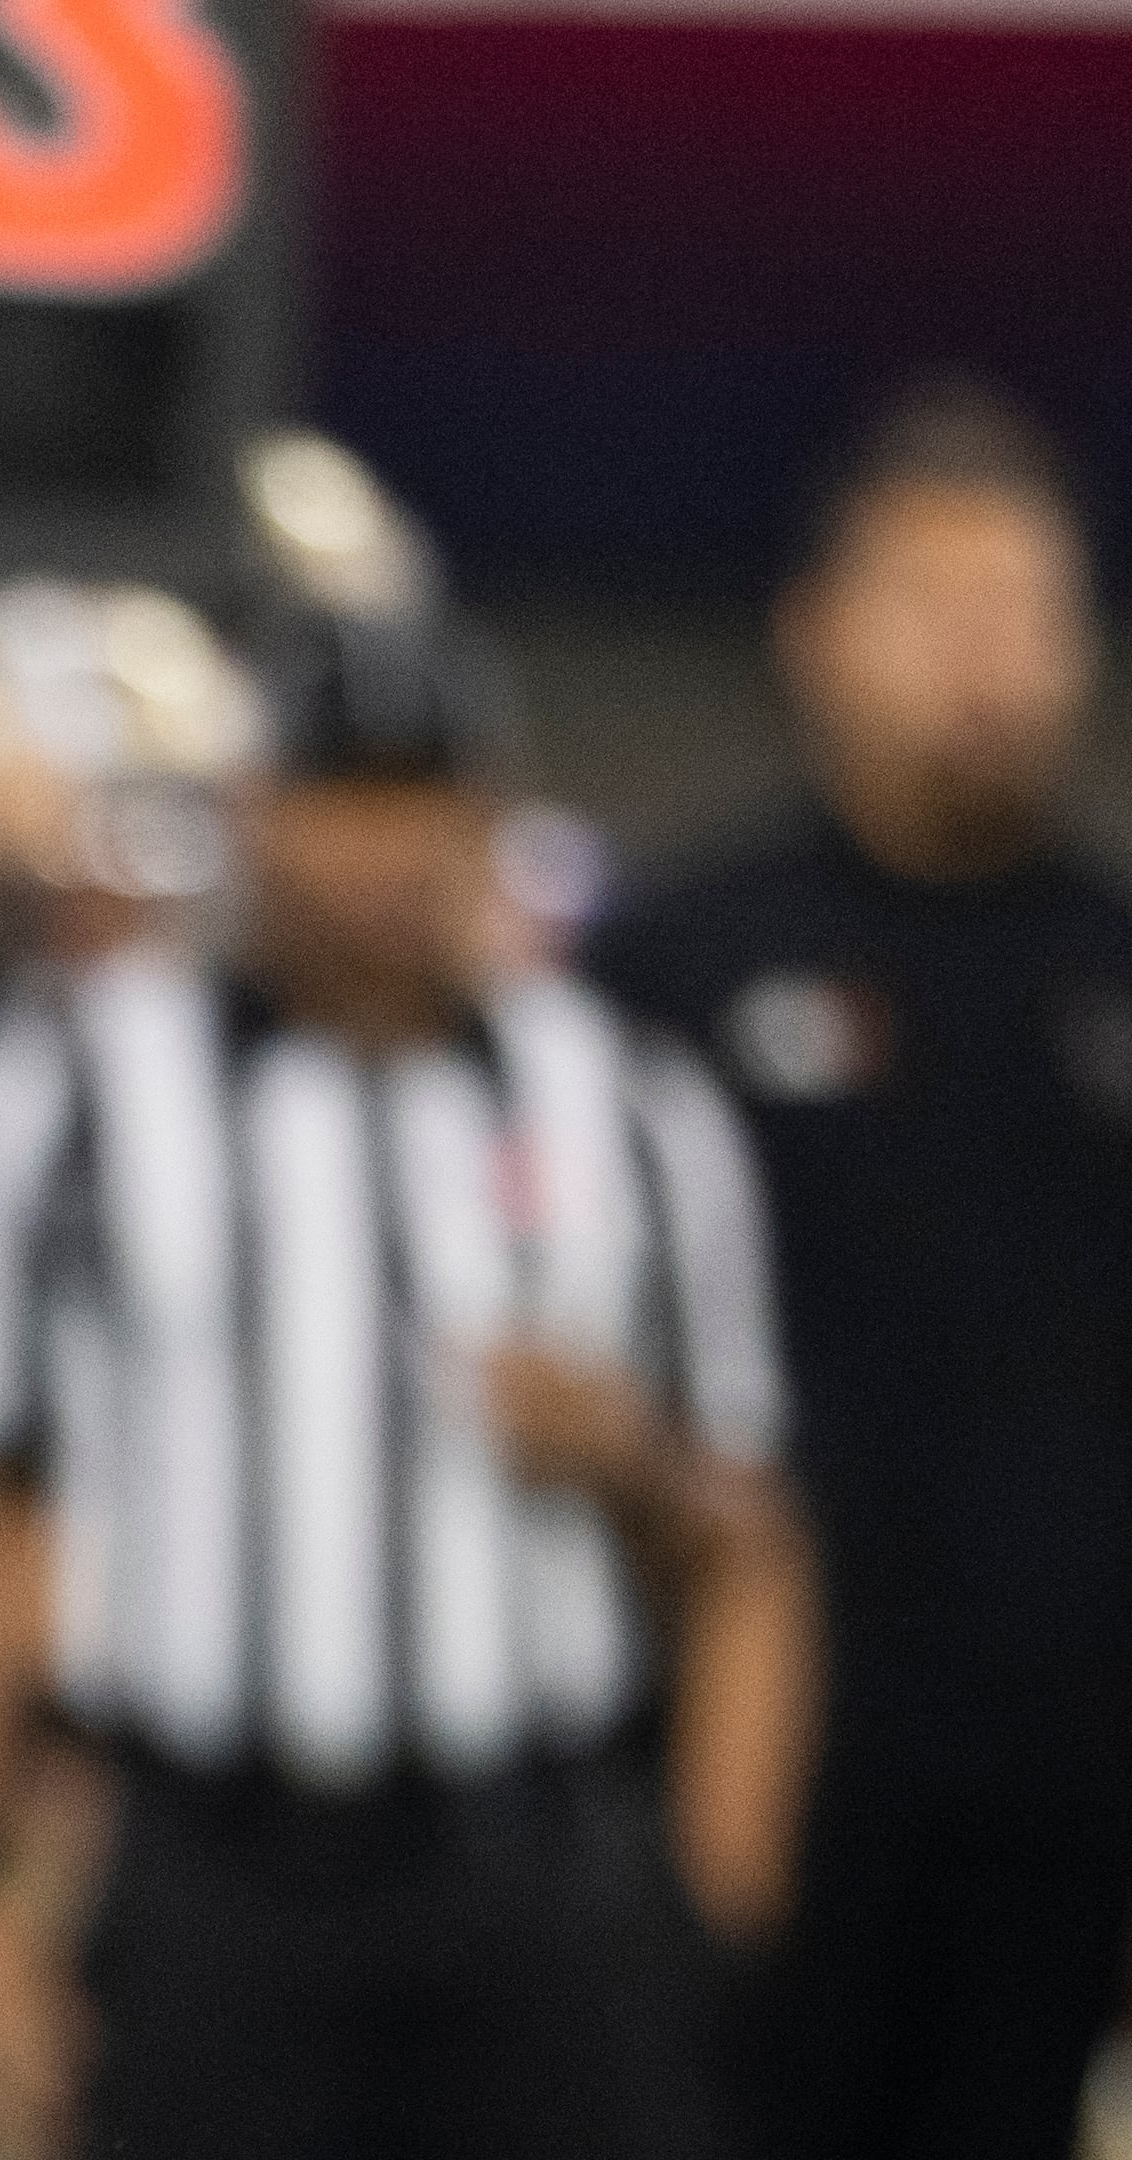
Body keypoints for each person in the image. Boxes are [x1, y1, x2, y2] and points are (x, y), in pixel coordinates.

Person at [0, 610, 818, 2160]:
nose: (380, 850)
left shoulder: (634, 1108)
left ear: (490, 819)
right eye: (338, 795)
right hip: (206, 1870)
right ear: (252, 811)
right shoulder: (80, 1087)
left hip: (544, 1867)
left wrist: (708, 1920)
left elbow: (749, 1533)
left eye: (421, 795)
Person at [581, 380, 1132, 2160]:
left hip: (1061, 1788)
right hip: (731, 1781)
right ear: (815, 637)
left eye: (1031, 615)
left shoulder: (1114, 973)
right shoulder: (665, 971)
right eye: (940, 609)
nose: (991, 663)